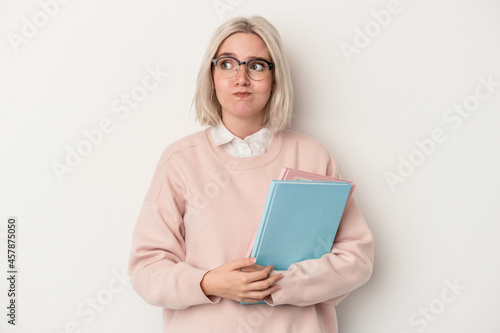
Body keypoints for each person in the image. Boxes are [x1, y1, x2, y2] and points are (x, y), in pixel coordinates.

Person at [129, 15, 374, 333]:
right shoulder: (179, 161)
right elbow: (147, 269)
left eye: (257, 65)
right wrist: (209, 282)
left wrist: (277, 284)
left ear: (275, 79)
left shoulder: (312, 156)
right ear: (211, 75)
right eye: (227, 64)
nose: (241, 77)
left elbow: (356, 258)